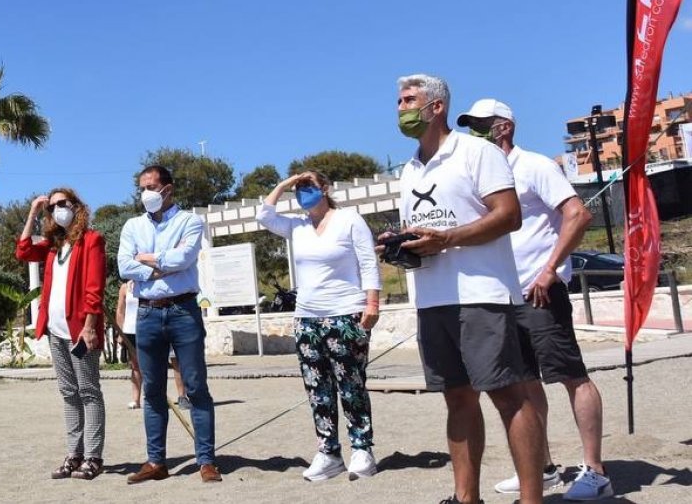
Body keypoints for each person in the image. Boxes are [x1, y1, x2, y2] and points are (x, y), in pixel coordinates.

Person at [382, 74, 545, 504]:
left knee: (508, 395)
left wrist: (448, 239)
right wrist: (403, 246)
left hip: (482, 295)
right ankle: (465, 497)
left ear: (437, 107)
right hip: (432, 298)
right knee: (457, 398)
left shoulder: (478, 151)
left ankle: (532, 498)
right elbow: (429, 229)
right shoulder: (410, 169)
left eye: (409, 99)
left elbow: (509, 215)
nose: (401, 108)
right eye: (398, 101)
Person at [458, 98, 613, 500]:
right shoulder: (484, 175)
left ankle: (595, 471)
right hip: (503, 296)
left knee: (570, 375)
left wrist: (549, 270)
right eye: (470, 125)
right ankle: (541, 468)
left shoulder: (535, 166)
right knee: (523, 384)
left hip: (540, 292)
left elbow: (578, 214)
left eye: (480, 124)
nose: (474, 132)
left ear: (504, 127)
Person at [257, 170, 382, 482]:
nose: (303, 193)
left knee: (350, 384)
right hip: (307, 318)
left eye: (308, 186)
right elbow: (264, 215)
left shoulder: (349, 219)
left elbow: (368, 262)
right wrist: (284, 185)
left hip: (346, 313)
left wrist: (373, 303)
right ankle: (328, 451)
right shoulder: (297, 227)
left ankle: (362, 449)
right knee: (317, 389)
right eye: (298, 189)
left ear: (325, 188)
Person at [117, 164, 220, 484]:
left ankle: (206, 460)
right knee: (153, 392)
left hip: (183, 311)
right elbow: (123, 265)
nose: (146, 193)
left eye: (151, 186)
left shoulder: (190, 221)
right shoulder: (132, 226)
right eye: (142, 188)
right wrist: (159, 265)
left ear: (168, 188)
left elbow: (185, 259)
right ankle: (155, 461)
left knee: (195, 387)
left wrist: (146, 259)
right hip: (146, 314)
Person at [16, 186, 107, 481]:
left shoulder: (92, 240)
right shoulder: (54, 245)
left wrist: (90, 326)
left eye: (62, 204)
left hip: (80, 330)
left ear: (76, 205)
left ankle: (93, 456)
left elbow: (94, 289)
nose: (57, 210)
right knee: (69, 393)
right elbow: (23, 251)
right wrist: (32, 212)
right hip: (55, 330)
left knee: (89, 391)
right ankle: (73, 454)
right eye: (52, 207)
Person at [114, 283, 142, 409]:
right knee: (135, 365)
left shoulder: (148, 284)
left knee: (151, 365)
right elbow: (120, 311)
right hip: (130, 330)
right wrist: (120, 333)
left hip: (147, 329)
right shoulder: (125, 287)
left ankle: (155, 397)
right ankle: (136, 400)